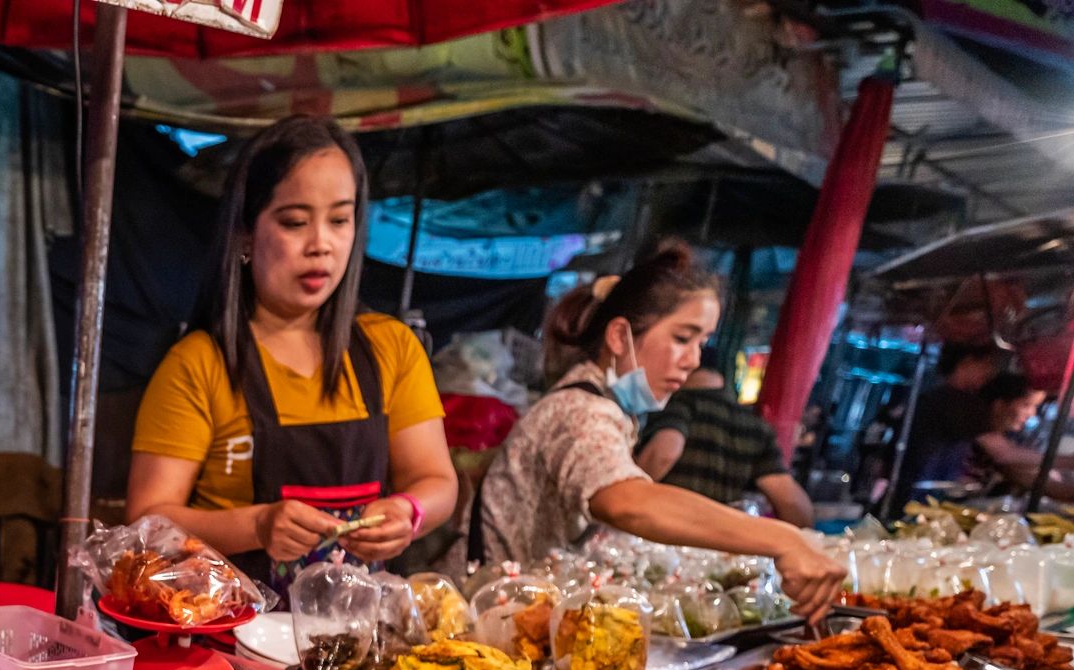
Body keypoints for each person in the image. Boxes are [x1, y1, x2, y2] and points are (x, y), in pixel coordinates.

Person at [125, 117, 458, 589]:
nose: (321, 244)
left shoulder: (393, 348)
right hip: (231, 642)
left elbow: (437, 482)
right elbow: (147, 522)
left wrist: (410, 509)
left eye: (340, 220)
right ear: (243, 234)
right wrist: (259, 525)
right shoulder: (199, 364)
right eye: (295, 222)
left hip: (357, 642)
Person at [438, 241, 844, 619]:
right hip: (482, 619)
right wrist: (780, 538)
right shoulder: (582, 411)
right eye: (682, 338)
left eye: (701, 342)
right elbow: (628, 501)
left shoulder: (610, 408)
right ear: (619, 336)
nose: (692, 360)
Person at [634, 354, 816, 527]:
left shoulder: (679, 404)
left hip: (664, 531)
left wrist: (628, 497)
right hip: (717, 540)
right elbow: (792, 502)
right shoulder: (754, 424)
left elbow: (664, 453)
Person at [890, 344, 1003, 505]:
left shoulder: (932, 392)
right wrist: (1048, 461)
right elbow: (1002, 452)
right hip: (924, 498)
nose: (990, 372)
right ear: (968, 362)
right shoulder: (960, 402)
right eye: (987, 364)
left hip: (906, 492)